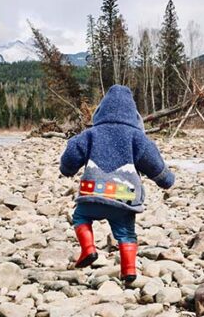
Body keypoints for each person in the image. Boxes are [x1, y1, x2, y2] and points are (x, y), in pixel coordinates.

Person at [59, 85, 175, 283]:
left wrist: (67, 169)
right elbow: (153, 162)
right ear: (134, 114)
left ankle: (88, 249)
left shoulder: (90, 134)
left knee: (80, 217)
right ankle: (128, 270)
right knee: (126, 232)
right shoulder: (137, 137)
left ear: (101, 111)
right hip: (124, 196)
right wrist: (166, 180)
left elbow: (72, 153)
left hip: (92, 193)